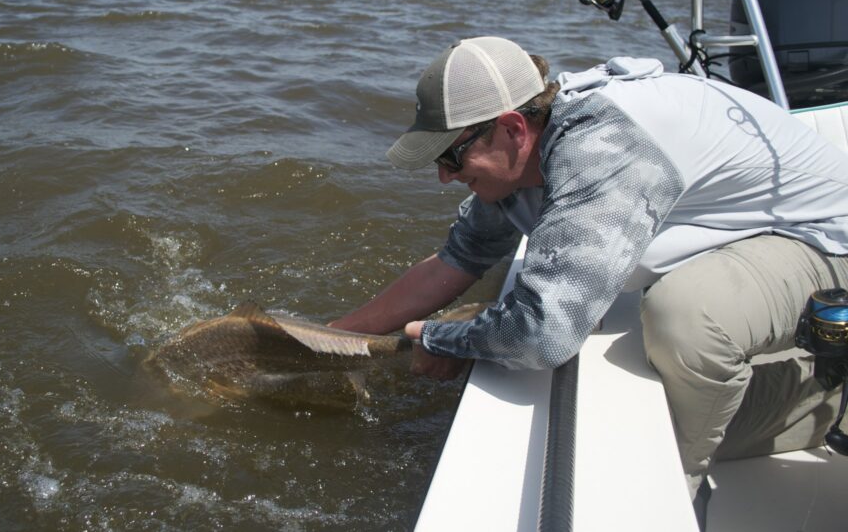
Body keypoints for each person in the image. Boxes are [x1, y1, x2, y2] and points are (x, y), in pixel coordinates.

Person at [328, 36, 848, 524]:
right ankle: (803, 399)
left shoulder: (600, 146)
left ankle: (660, 500)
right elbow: (453, 262)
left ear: (512, 127)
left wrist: (443, 338)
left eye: (449, 156)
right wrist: (332, 338)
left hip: (829, 243)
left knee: (687, 314)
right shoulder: (519, 159)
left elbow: (543, 335)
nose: (443, 175)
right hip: (747, 233)